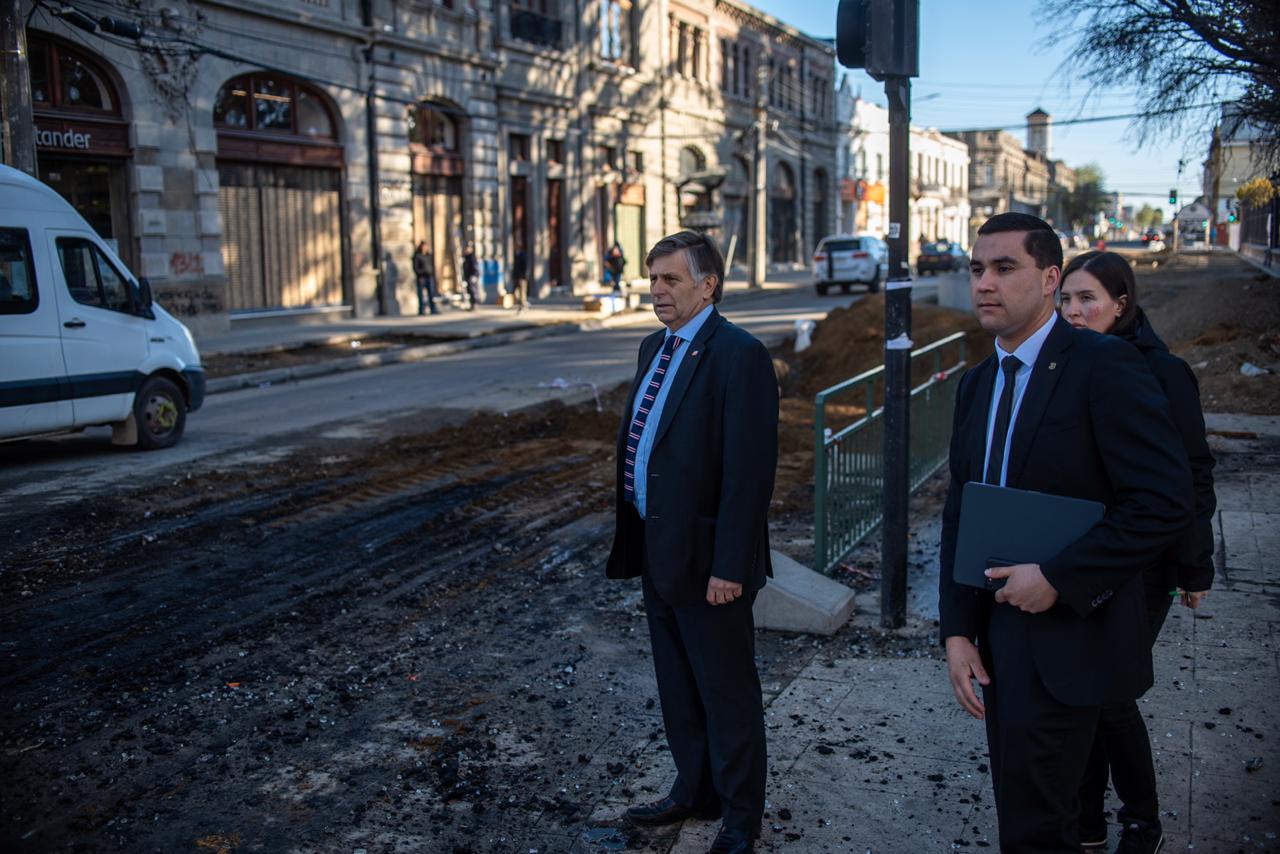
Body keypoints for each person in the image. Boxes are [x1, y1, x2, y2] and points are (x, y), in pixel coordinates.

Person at [938, 212, 1193, 853]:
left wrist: (1059, 577)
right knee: (1022, 809)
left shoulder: (1104, 367)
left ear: (1051, 278)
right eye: (977, 269)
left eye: (1004, 268)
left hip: (1071, 636)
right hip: (995, 637)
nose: (985, 284)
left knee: (1040, 826)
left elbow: (1163, 502)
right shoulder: (975, 384)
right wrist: (956, 629)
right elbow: (961, 510)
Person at [605, 230, 777, 854]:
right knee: (678, 684)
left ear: (707, 285)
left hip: (712, 565)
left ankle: (739, 820)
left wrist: (731, 563)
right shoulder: (655, 346)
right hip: (659, 551)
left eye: (670, 280)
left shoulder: (739, 354)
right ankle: (694, 790)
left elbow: (749, 473)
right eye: (652, 279)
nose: (657, 291)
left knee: (728, 694)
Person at [1059, 250, 1216, 853]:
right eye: (1066, 299)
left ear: (1121, 305)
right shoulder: (1064, 364)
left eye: (1088, 300)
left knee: (1108, 693)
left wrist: (1195, 565)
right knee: (1085, 693)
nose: (1074, 312)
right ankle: (1088, 823)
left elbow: (1192, 475)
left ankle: (1140, 820)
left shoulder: (1161, 371)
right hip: (1080, 556)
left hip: (1144, 564)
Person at [411, 242, 439, 316]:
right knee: (421, 294)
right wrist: (420, 274)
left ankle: (433, 309)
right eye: (423, 246)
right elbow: (415, 267)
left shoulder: (429, 255)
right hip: (421, 277)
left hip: (429, 276)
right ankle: (421, 309)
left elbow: (432, 265)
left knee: (431, 293)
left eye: (426, 246)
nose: (425, 248)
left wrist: (432, 273)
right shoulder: (417, 256)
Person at [461, 243, 479, 310]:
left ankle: (474, 303)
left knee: (473, 290)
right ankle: (472, 304)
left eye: (468, 249)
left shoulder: (472, 257)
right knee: (469, 290)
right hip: (468, 276)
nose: (467, 250)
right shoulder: (466, 257)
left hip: (472, 276)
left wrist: (475, 275)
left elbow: (475, 267)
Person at [510, 247, 529, 313]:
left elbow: (525, 266)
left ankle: (523, 306)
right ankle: (524, 305)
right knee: (516, 293)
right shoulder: (516, 255)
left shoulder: (522, 255)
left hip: (521, 278)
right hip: (516, 277)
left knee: (522, 293)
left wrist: (524, 276)